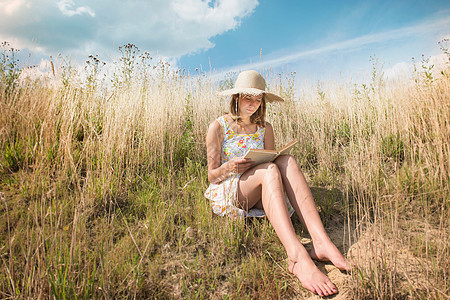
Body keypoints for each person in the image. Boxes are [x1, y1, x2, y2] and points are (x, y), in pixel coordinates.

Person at [204, 70, 352, 297]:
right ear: (236, 97)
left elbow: (271, 158)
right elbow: (212, 176)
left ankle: (321, 242)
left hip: (266, 185)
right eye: (248, 98)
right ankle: (296, 256)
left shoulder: (265, 127)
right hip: (235, 189)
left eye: (258, 99)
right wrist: (228, 167)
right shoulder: (218, 127)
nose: (253, 104)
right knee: (270, 169)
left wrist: (270, 161)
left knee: (286, 161)